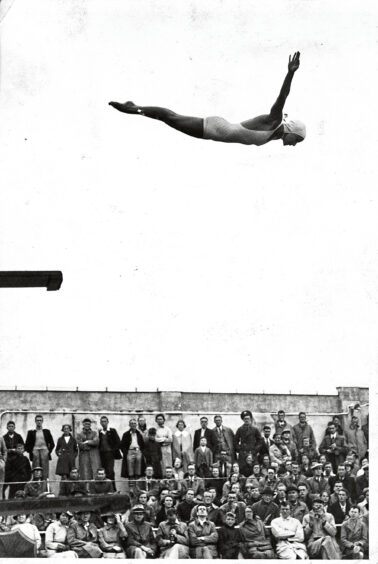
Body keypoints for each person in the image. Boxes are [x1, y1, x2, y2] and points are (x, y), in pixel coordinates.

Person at [109, 53, 306, 147]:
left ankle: (135, 108)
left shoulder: (275, 135)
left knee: (171, 118)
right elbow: (283, 96)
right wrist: (290, 74)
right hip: (217, 129)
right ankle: (133, 108)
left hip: (217, 131)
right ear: (292, 130)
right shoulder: (274, 121)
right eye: (296, 140)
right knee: (170, 118)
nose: (294, 144)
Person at [24, 414, 55, 479]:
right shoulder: (31, 432)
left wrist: (48, 451)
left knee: (45, 471)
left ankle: (45, 488)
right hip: (35, 452)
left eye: (40, 420)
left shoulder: (46, 432)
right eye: (37, 420)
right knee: (36, 471)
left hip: (44, 452)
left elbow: (52, 444)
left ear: (42, 421)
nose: (39, 422)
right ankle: (36, 487)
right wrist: (32, 451)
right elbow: (26, 445)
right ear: (35, 421)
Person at [76, 418, 101, 490]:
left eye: (89, 424)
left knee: (95, 470)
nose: (87, 425)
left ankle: (96, 489)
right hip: (84, 455)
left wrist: (86, 442)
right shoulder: (79, 434)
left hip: (94, 455)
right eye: (86, 424)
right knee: (85, 472)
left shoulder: (94, 433)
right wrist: (90, 443)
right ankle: (86, 489)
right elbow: (79, 444)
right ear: (83, 424)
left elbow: (96, 442)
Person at [98, 416, 122, 489]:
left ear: (108, 422)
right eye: (102, 421)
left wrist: (112, 450)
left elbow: (118, 442)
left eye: (105, 421)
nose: (103, 423)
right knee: (103, 471)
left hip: (110, 454)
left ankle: (113, 488)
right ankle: (105, 488)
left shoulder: (112, 431)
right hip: (101, 454)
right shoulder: (99, 432)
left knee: (110, 471)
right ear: (100, 423)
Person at [3, 420, 24, 498]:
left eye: (12, 426)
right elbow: (2, 449)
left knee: (15, 482)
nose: (11, 428)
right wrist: (8, 450)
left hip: (17, 460)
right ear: (7, 427)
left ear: (14, 427)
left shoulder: (18, 436)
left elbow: (22, 447)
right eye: (9, 426)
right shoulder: (3, 438)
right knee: (7, 481)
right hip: (8, 461)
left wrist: (16, 450)